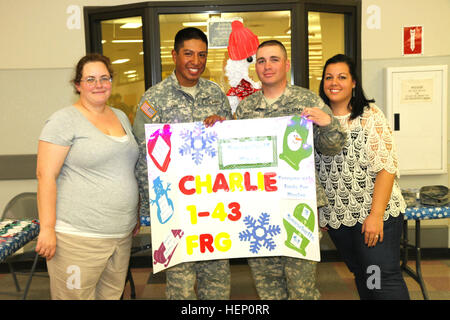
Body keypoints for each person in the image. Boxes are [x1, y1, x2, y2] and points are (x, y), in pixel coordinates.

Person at [234, 40, 346, 299]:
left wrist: (327, 123)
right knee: (267, 288)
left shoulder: (307, 100)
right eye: (261, 61)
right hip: (258, 209)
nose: (267, 66)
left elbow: (333, 146)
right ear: (256, 68)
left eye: (274, 59)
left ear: (286, 65)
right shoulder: (245, 108)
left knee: (302, 288)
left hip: (299, 207)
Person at [133, 27, 233, 299]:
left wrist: (224, 128)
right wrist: (154, 205)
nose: (196, 61)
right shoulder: (153, 99)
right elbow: (143, 156)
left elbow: (230, 149)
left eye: (202, 55)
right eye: (188, 53)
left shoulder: (216, 94)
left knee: (217, 283)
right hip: (176, 209)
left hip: (214, 207)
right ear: (174, 55)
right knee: (180, 286)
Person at [35, 53, 140, 300]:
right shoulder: (63, 120)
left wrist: (132, 213)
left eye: (104, 78)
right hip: (78, 238)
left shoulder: (121, 116)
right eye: (90, 79)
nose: (99, 84)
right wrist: (47, 228)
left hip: (120, 235)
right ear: (78, 84)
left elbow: (124, 169)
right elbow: (45, 175)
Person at [316, 53, 410, 299]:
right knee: (363, 275)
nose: (334, 82)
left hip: (375, 214)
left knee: (382, 278)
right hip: (338, 218)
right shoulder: (316, 120)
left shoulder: (369, 116)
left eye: (342, 77)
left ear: (354, 82)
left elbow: (386, 167)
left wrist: (376, 216)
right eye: (329, 77)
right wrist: (319, 210)